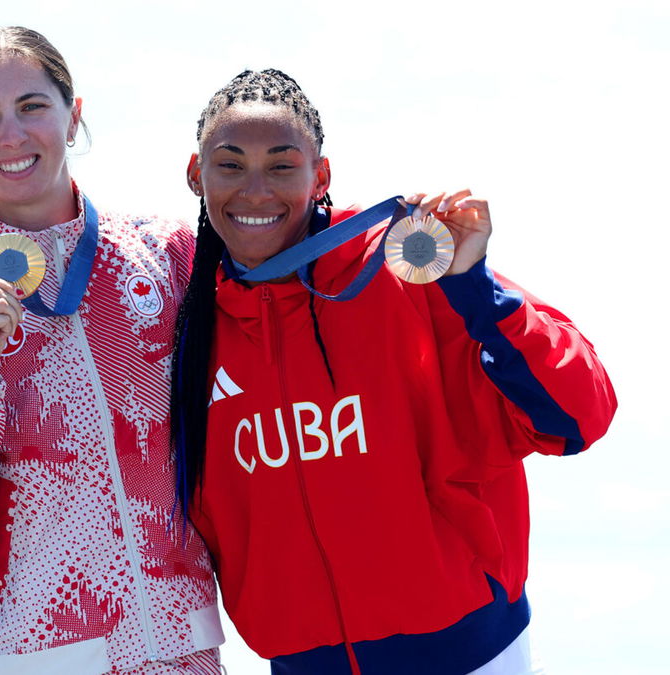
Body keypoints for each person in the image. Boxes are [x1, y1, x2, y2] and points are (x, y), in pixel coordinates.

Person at [171, 68, 618, 675]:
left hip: (470, 654)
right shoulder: (187, 323)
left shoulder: (408, 268)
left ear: (320, 175)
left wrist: (475, 290)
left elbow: (578, 415)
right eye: (230, 165)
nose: (256, 191)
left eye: (281, 165)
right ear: (196, 174)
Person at [0, 26, 223, 675]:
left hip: (178, 655)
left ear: (73, 114)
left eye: (32, 106)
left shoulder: (169, 259)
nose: (12, 133)